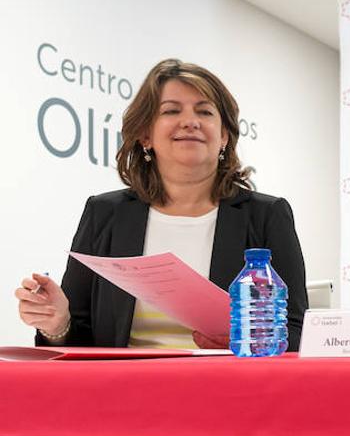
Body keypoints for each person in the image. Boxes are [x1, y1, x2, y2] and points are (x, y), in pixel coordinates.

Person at [14, 59, 307, 350]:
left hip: (227, 388)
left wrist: (249, 341)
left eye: (204, 111)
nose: (190, 121)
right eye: (171, 110)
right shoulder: (104, 214)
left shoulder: (267, 215)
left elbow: (296, 331)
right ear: (145, 135)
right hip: (124, 389)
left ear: (224, 136)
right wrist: (57, 323)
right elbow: (81, 340)